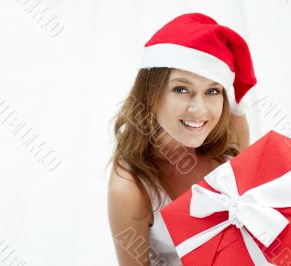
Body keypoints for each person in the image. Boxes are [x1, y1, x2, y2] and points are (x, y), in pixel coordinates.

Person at [107, 12, 257, 266]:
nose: (199, 110)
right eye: (181, 89)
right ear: (150, 93)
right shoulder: (130, 187)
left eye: (212, 90)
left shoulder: (232, 127)